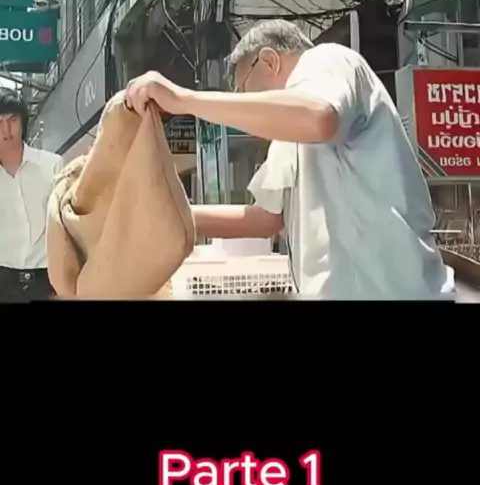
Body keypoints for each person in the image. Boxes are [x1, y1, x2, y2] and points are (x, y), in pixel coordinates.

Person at [125, 19, 454, 300]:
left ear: (269, 61)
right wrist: (158, 214)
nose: (246, 102)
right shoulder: (290, 129)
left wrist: (184, 100)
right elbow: (265, 218)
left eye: (244, 88)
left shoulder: (326, 60)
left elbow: (319, 118)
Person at [0, 87, 63, 302]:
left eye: (12, 120)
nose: (6, 130)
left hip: (47, 280)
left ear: (23, 122)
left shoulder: (52, 165)